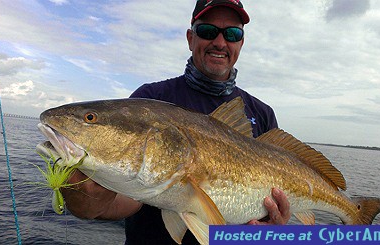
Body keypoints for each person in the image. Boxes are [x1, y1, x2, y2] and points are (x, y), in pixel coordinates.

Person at [62, 0, 291, 244]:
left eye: (233, 34)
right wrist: (87, 203)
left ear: (241, 43)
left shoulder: (263, 113)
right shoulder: (149, 100)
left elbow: (269, 231)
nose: (220, 42)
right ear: (190, 38)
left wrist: (273, 229)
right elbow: (128, 198)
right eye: (207, 31)